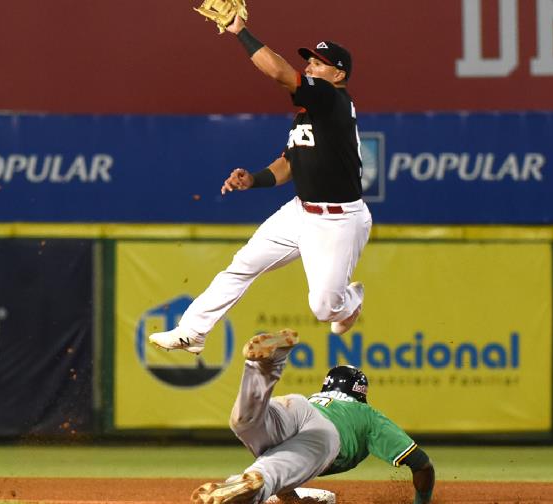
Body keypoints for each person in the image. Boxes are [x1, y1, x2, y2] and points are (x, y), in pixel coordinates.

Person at [149, 13, 371, 354]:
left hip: (337, 220)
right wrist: (253, 179)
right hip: (300, 212)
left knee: (325, 309)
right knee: (242, 265)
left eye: (319, 63)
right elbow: (288, 164)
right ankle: (193, 331)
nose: (311, 67)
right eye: (309, 61)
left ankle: (351, 300)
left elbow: (280, 72)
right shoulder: (310, 113)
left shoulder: (331, 99)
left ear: (338, 74)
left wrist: (240, 32)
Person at [191, 329, 436, 504]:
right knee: (269, 474)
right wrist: (422, 501)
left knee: (245, 423)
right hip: (325, 433)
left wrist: (293, 501)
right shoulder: (367, 414)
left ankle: (265, 366)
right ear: (361, 392)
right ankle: (246, 492)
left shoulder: (316, 399)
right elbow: (421, 463)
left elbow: (289, 459)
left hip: (296, 405)